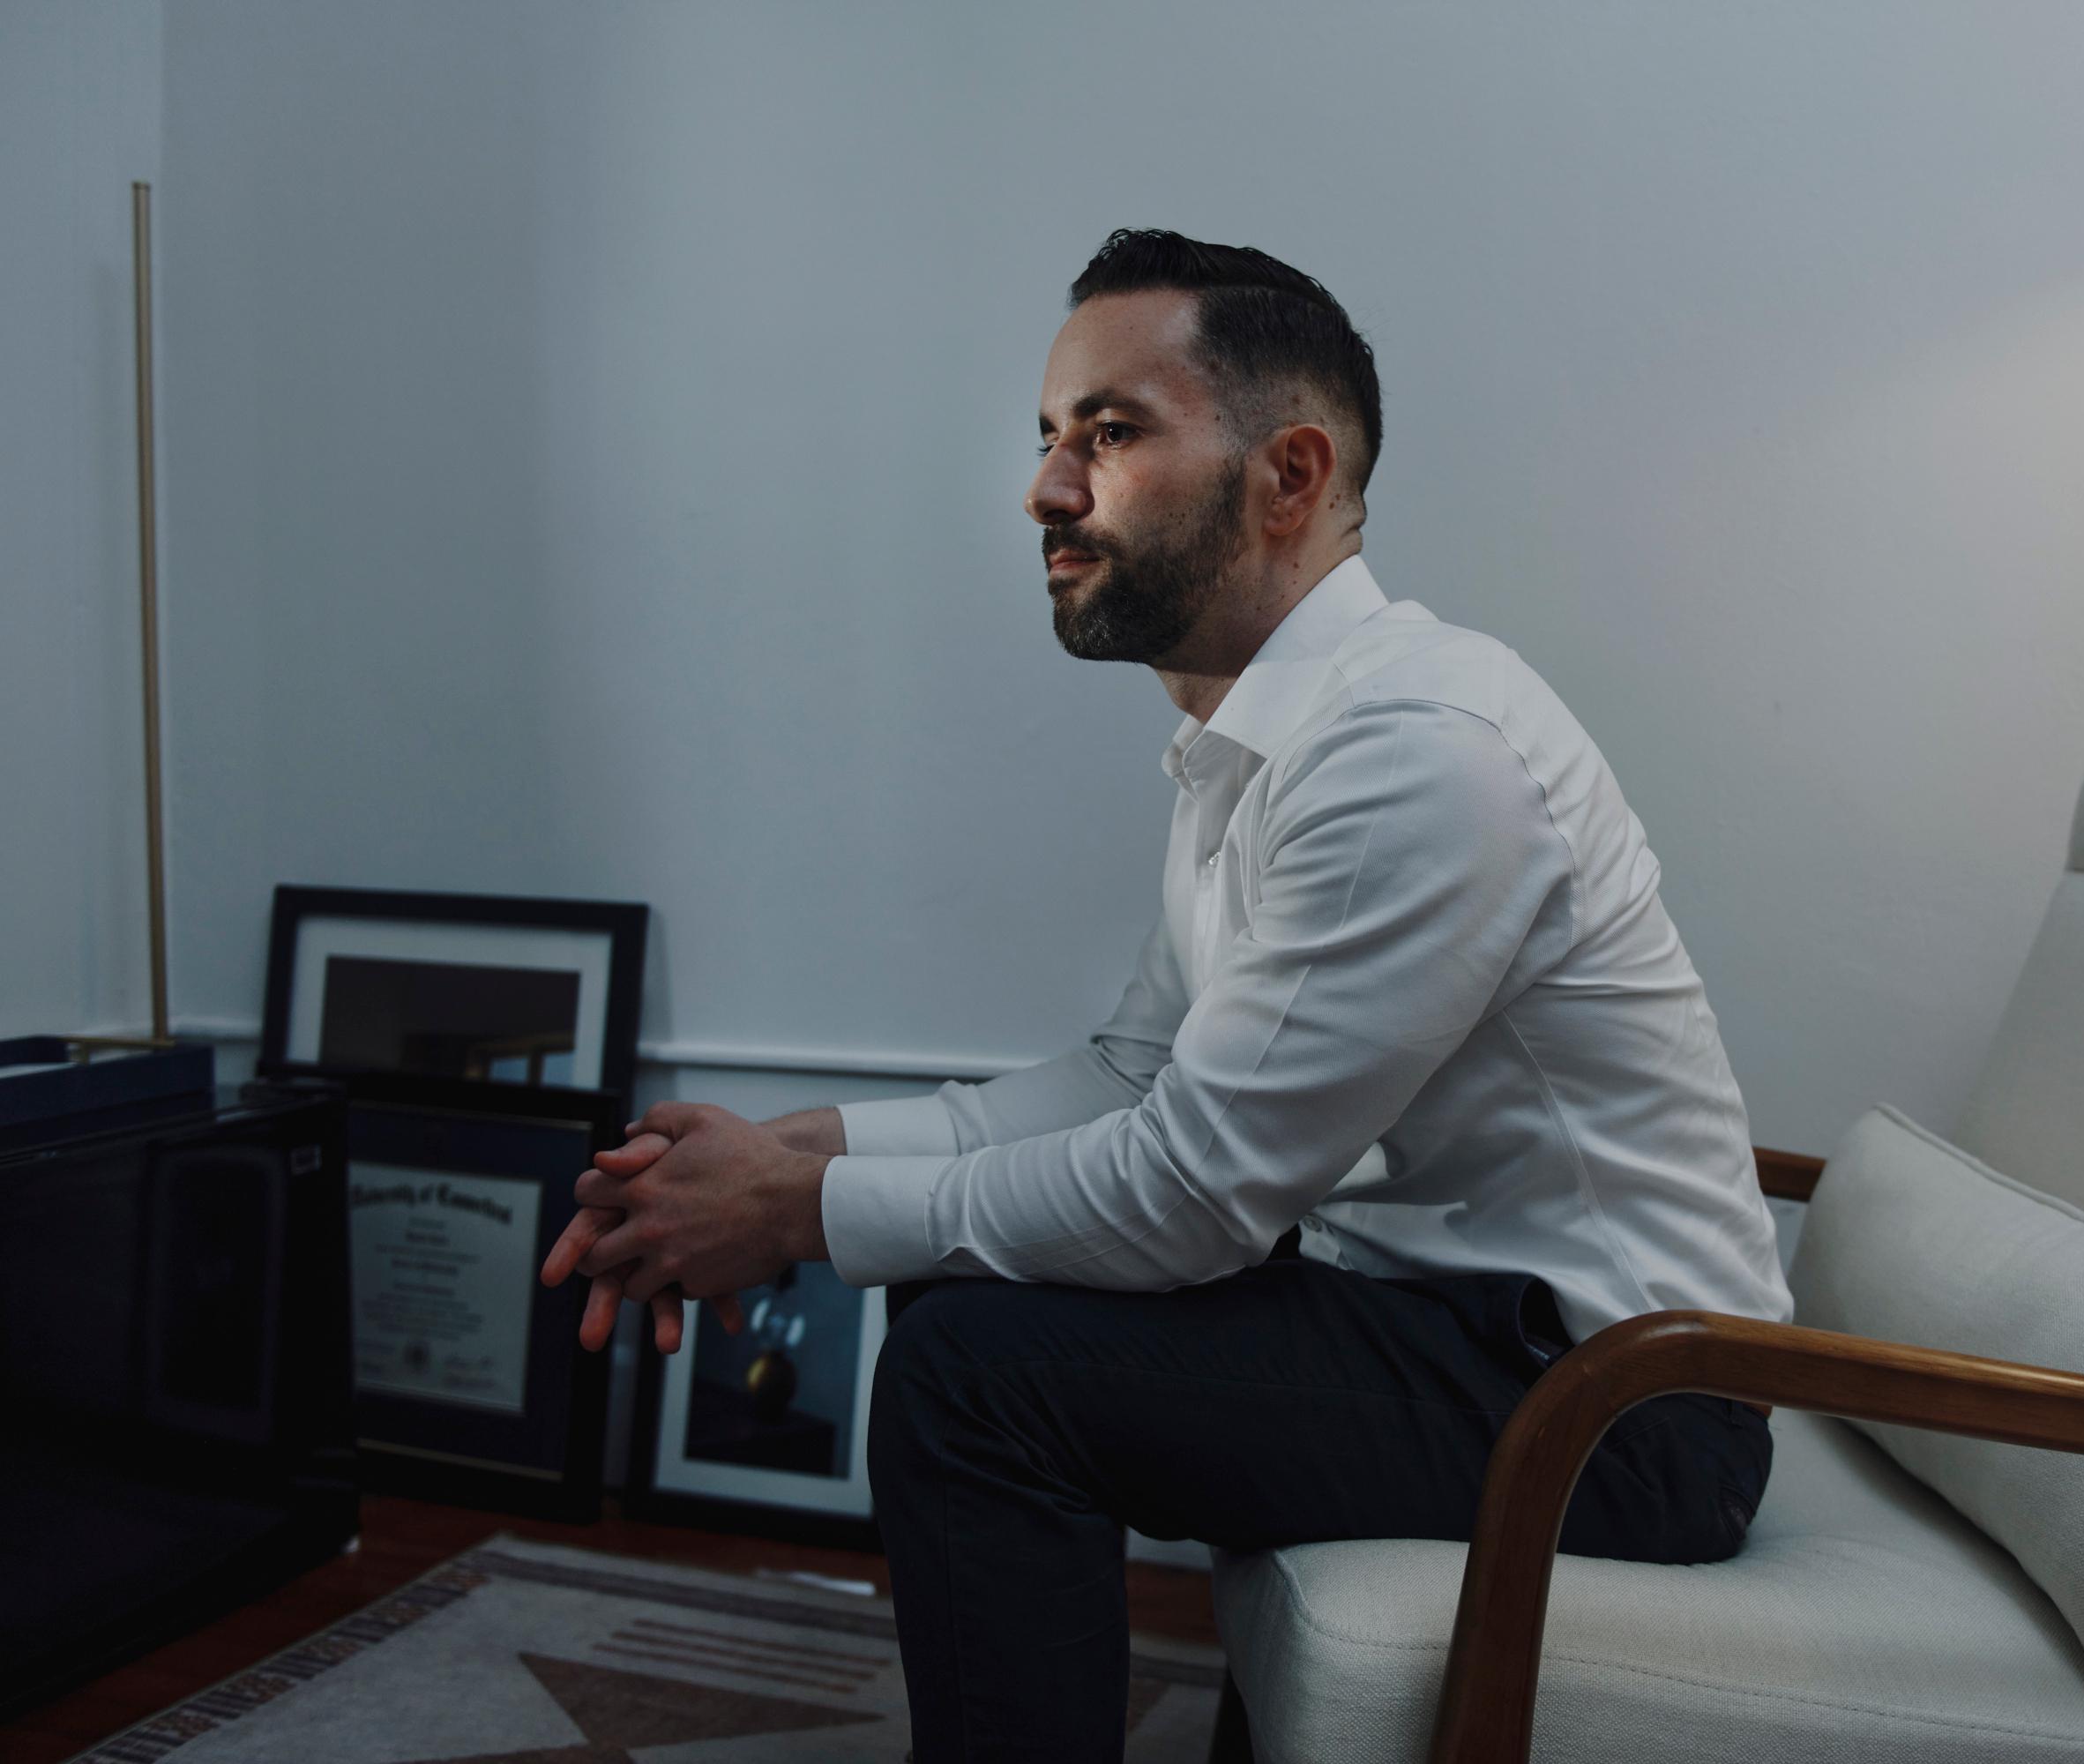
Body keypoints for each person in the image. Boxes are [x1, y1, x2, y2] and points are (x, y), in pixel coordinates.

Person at [540, 228, 1791, 1762]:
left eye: (1112, 433)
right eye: (1052, 438)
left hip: (1618, 1413)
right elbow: (1138, 1072)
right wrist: (805, 1151)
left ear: (1289, 475)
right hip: (1457, 1335)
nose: (1048, 489)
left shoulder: (1417, 751)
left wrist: (796, 1219)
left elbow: (1200, 1192)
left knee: (978, 1375)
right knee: (965, 1295)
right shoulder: (1262, 738)